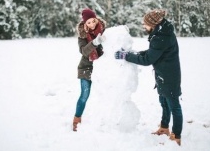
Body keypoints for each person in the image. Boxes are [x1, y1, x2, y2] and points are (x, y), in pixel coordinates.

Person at [114, 9, 183, 145]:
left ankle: (176, 135)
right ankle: (164, 127)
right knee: (164, 102)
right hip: (163, 74)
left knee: (174, 105)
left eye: (145, 24)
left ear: (153, 24)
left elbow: (147, 59)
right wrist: (133, 53)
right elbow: (153, 52)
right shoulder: (162, 32)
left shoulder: (161, 37)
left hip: (169, 76)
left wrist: (126, 56)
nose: (143, 26)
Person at [73, 8, 106, 132]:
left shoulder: (104, 31)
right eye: (89, 23)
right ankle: (77, 119)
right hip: (86, 68)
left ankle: (109, 120)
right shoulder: (82, 36)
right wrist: (95, 42)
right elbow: (84, 51)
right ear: (84, 24)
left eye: (93, 21)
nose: (92, 24)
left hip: (103, 68)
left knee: (107, 94)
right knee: (84, 95)